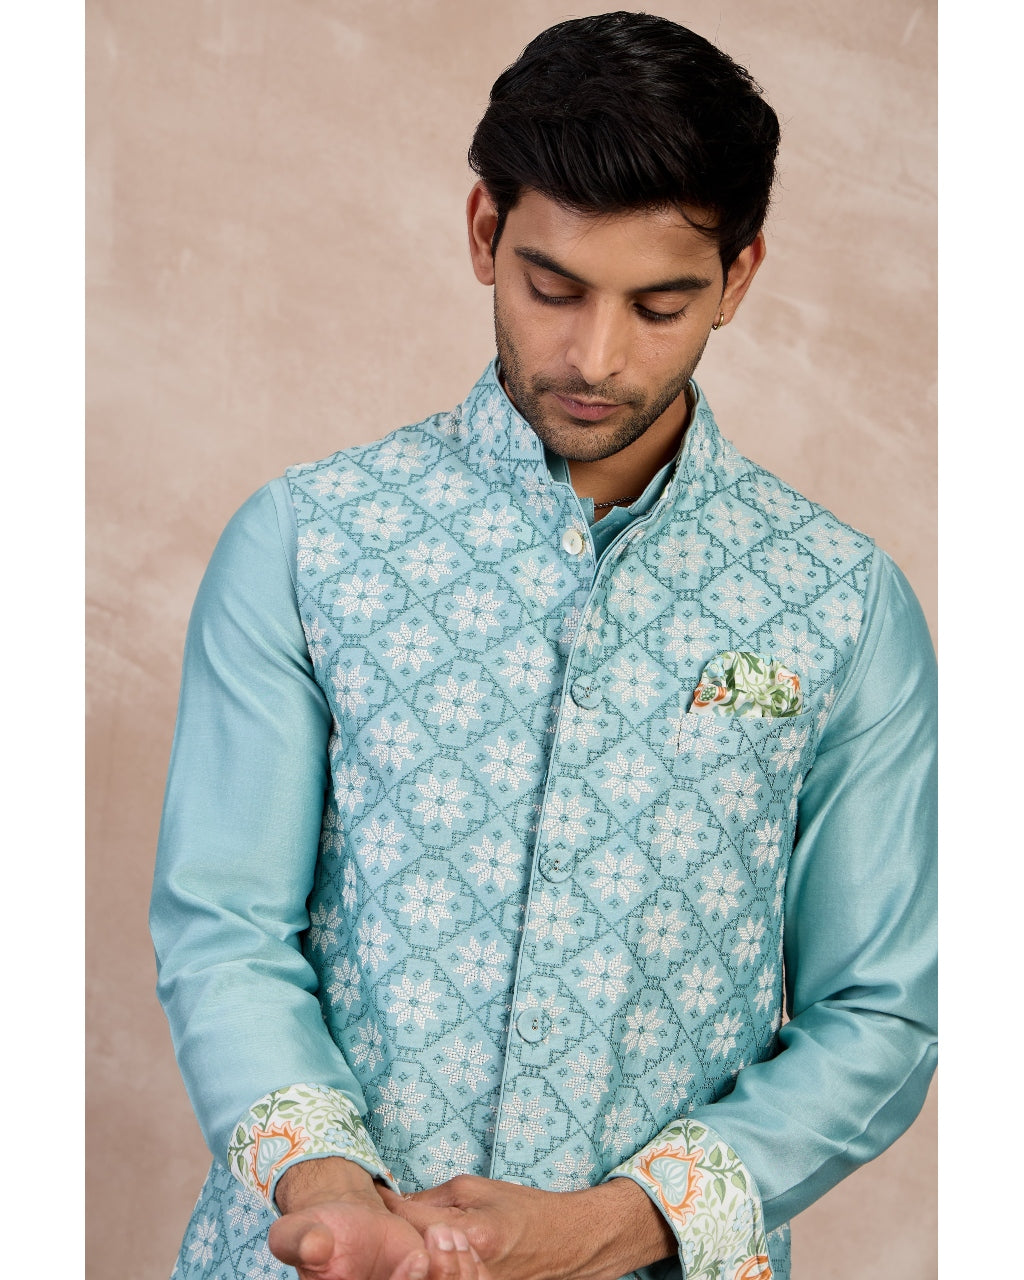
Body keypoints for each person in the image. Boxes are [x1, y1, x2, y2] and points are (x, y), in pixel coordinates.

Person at [150, 12, 937, 1280]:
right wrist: (331, 1188)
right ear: (484, 233)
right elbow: (225, 924)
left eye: (660, 304)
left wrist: (607, 1228)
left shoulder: (841, 605)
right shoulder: (310, 542)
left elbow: (879, 1013)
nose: (593, 356)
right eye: (552, 287)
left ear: (738, 278)